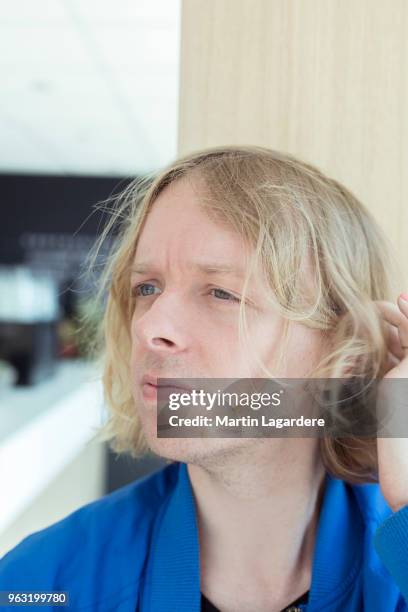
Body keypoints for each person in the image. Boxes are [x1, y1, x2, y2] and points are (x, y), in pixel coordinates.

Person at [1, 146, 408, 612]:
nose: (151, 326)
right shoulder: (41, 582)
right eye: (147, 288)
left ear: (345, 354)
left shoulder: (396, 567)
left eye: (221, 293)